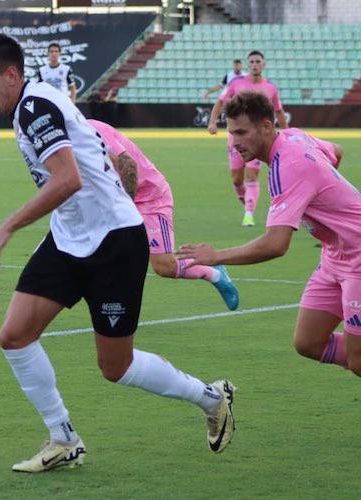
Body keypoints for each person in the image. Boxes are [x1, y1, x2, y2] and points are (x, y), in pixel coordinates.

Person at [0, 34, 236, 472]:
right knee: (14, 336)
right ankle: (63, 438)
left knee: (116, 366)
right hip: (69, 238)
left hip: (113, 242)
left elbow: (68, 179)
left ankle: (211, 397)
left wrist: (7, 227)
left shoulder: (35, 107)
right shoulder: (31, 105)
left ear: (11, 75)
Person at [179, 91, 359, 376]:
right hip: (335, 256)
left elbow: (276, 245)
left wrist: (216, 256)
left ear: (266, 126)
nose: (235, 142)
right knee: (309, 342)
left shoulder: (288, 166)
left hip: (358, 257)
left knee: (358, 360)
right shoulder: (294, 136)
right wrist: (320, 197)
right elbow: (336, 151)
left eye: (241, 132)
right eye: (231, 133)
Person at [87, 119, 239, 310]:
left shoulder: (90, 128)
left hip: (150, 197)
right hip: (115, 200)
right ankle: (115, 311)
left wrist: (124, 209)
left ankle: (214, 272)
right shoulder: (61, 143)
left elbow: (128, 164)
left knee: (164, 266)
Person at [208, 50, 287, 227]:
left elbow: (278, 111)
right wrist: (212, 122)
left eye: (258, 61)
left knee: (252, 176)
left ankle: (249, 214)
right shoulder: (236, 83)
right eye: (251, 62)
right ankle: (248, 204)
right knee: (237, 179)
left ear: (264, 64)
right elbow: (221, 102)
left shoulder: (271, 88)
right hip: (235, 138)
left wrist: (288, 132)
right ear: (247, 65)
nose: (254, 64)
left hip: (259, 139)